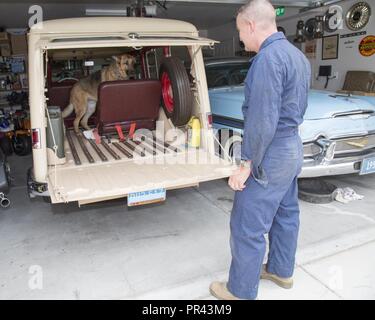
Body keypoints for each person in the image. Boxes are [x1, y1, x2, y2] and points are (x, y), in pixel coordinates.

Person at [210, 0, 311, 300]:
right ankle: (281, 270)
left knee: (247, 223)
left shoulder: (268, 60)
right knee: (285, 212)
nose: (241, 38)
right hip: (292, 147)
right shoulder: (297, 56)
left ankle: (239, 291)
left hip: (271, 150)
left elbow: (262, 118)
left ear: (252, 25)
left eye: (241, 31)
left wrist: (247, 163)